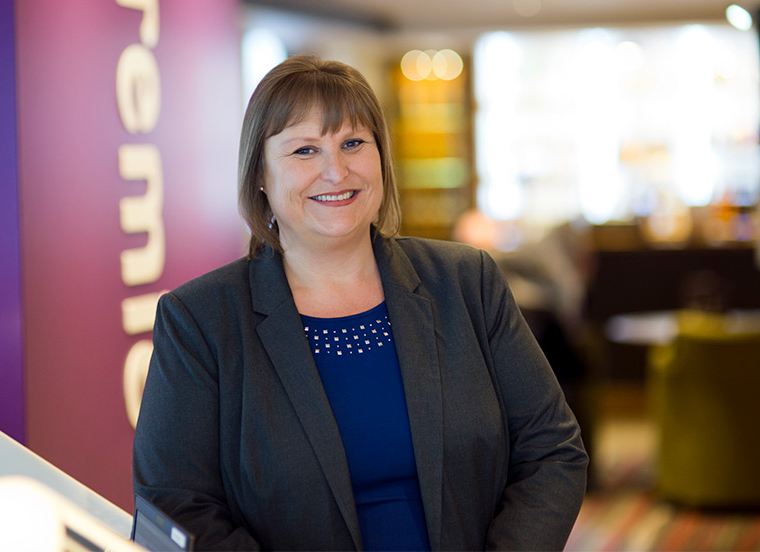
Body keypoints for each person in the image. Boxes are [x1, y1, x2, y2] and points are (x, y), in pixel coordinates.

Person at [133, 55, 588, 551]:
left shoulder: (467, 282)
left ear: (381, 158)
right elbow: (175, 503)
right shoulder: (200, 320)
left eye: (353, 143)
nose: (336, 170)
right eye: (305, 150)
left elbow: (552, 449)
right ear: (259, 173)